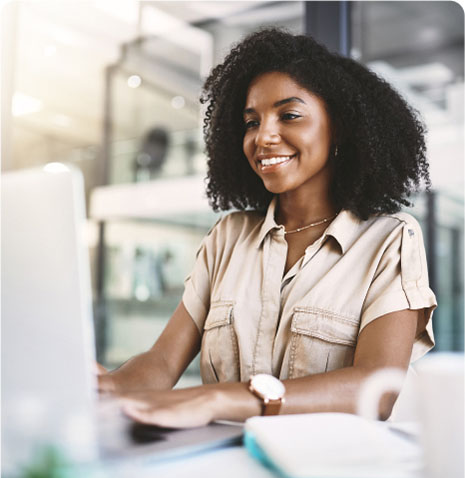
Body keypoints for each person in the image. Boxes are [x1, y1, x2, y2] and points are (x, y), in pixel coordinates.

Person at [97, 28, 436, 427]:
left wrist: (219, 399)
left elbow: (376, 390)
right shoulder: (228, 237)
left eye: (288, 115)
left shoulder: (388, 240)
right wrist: (108, 387)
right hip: (230, 463)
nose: (263, 136)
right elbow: (162, 361)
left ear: (339, 128)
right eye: (251, 122)